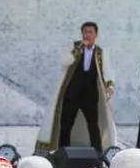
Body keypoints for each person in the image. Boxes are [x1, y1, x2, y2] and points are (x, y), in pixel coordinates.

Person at [35, 22, 116, 154]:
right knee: (66, 124)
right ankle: (61, 153)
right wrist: (77, 50)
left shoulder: (100, 52)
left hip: (90, 95)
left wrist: (109, 85)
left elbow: (106, 70)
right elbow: (64, 62)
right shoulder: (74, 47)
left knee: (93, 125)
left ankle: (98, 155)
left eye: (90, 32)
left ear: (96, 34)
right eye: (85, 32)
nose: (87, 35)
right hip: (71, 93)